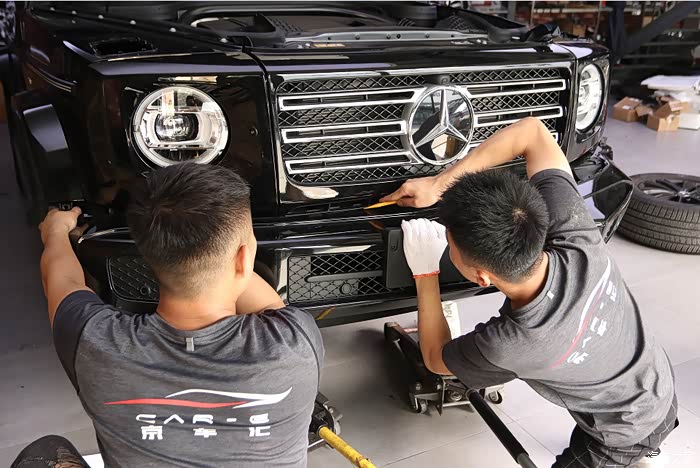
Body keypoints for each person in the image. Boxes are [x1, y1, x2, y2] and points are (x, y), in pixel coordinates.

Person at [385, 117, 677, 468]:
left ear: (482, 277)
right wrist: (439, 185)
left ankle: (635, 457)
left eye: (449, 246)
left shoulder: (512, 343)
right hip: (658, 381)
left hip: (620, 436)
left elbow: (435, 359)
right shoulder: (577, 235)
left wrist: (425, 273)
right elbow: (533, 132)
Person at [20, 163, 323, 467]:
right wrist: (216, 252)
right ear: (243, 258)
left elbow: (61, 280)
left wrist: (55, 231)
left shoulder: (94, 343)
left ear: (148, 257)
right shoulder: (295, 342)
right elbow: (265, 305)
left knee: (46, 451)